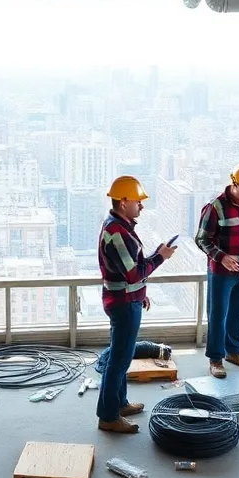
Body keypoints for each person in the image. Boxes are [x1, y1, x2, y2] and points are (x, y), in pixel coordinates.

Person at [96, 175, 176, 434]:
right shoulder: (116, 232)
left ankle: (119, 403)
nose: (141, 206)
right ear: (122, 202)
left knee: (122, 355)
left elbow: (130, 272)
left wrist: (141, 292)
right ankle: (108, 416)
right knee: (119, 360)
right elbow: (133, 274)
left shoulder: (122, 227)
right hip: (123, 303)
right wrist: (160, 257)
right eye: (137, 201)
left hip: (127, 298)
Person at [195, 164, 239, 378]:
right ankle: (216, 358)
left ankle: (234, 351)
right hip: (222, 273)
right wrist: (222, 257)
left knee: (238, 313)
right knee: (218, 315)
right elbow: (202, 239)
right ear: (234, 184)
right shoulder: (215, 208)